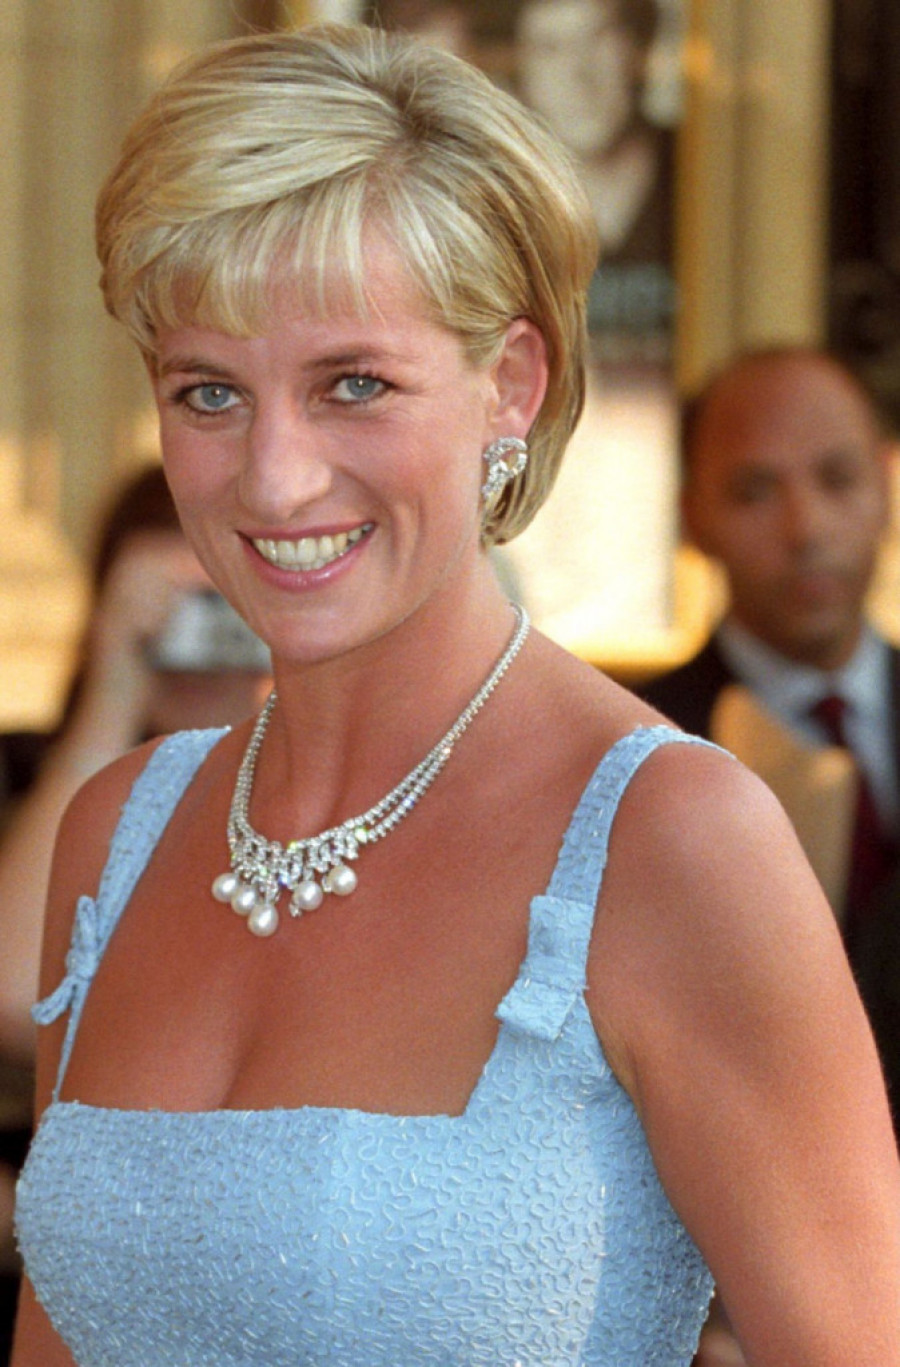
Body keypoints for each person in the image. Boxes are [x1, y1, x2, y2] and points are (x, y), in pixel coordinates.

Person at [11, 27, 900, 1366]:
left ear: (512, 386)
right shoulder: (119, 831)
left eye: (354, 383)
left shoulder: (673, 839)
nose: (275, 477)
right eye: (210, 392)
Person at [640, 344, 900, 1366]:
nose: (807, 528)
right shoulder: (624, 754)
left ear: (886, 483)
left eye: (838, 479)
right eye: (755, 490)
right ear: (692, 516)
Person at [0, 463, 270, 1363]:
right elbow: (18, 995)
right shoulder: (28, 773)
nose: (200, 633)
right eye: (172, 605)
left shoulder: (323, 813)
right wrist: (114, 690)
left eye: (224, 599)